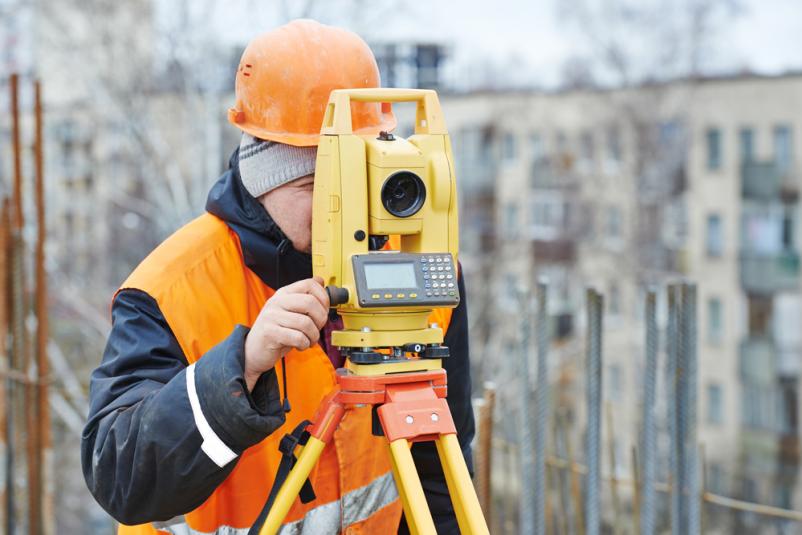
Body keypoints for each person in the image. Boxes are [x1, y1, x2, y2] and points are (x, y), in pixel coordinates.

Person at [81, 19, 474, 535]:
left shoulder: (423, 278)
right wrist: (239, 368)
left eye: (360, 184)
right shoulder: (170, 290)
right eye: (320, 187)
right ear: (265, 178)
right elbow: (121, 482)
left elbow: (438, 478)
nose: (347, 211)